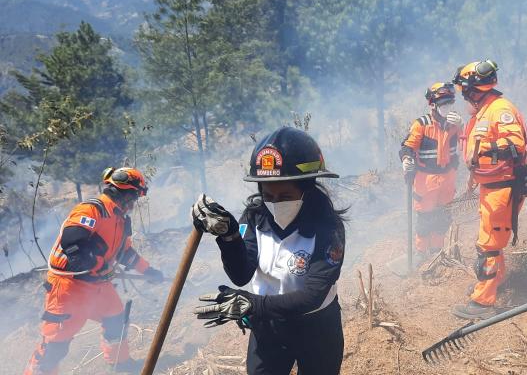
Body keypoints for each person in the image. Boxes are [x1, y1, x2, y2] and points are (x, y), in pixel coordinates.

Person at [191, 127, 347, 375]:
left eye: (285, 195)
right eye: (268, 194)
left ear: (307, 188)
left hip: (317, 329)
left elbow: (312, 295)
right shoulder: (254, 217)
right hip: (268, 329)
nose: (275, 203)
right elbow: (241, 274)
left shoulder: (328, 228)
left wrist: (252, 305)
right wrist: (228, 236)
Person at [24, 167, 164, 375]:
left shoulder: (121, 219)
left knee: (116, 319)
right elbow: (72, 243)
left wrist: (148, 271)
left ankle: (120, 365)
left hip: (98, 285)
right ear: (121, 192)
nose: (134, 202)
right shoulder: (91, 210)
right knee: (55, 345)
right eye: (134, 196)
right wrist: (98, 265)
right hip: (69, 288)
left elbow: (124, 252)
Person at [450, 60, 527, 320]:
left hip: (503, 188)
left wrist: (484, 151)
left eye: (463, 90)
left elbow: (515, 144)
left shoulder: (500, 109)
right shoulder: (482, 112)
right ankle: (494, 280)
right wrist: (474, 176)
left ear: (472, 89)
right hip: (491, 186)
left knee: (488, 245)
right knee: (491, 241)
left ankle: (483, 302)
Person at [398, 82, 462, 260]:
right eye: (443, 103)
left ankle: (437, 252)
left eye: (450, 102)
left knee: (443, 218)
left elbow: (467, 144)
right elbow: (407, 146)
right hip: (426, 180)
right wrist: (407, 160)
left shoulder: (455, 124)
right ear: (432, 104)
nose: (447, 107)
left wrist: (463, 126)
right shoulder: (422, 125)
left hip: (448, 178)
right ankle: (421, 254)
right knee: (425, 220)